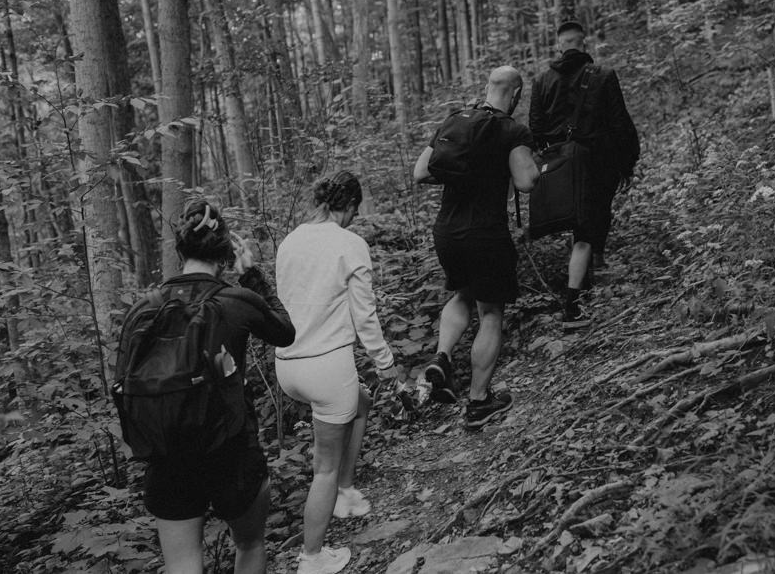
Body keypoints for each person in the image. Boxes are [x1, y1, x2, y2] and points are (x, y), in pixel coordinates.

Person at [139, 200, 296, 574]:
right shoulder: (236, 301)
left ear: (179, 252)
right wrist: (252, 274)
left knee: (182, 565)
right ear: (226, 252)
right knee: (251, 543)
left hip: (168, 455)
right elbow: (285, 332)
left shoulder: (147, 308)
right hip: (231, 451)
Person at [275, 171, 399, 574]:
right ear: (347, 207)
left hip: (288, 365)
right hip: (327, 366)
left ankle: (345, 492)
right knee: (322, 467)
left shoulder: (290, 241)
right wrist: (386, 364)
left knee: (360, 403)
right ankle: (312, 557)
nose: (353, 219)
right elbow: (365, 317)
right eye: (354, 212)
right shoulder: (350, 243)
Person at [413, 65, 540, 430]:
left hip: (447, 231)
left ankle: (442, 357)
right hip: (485, 232)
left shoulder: (456, 120)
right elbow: (526, 182)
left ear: (487, 87)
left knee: (462, 294)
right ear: (516, 95)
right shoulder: (512, 130)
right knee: (491, 314)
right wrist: (536, 168)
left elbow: (421, 171)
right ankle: (479, 402)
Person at [529, 20, 640, 329]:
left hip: (559, 167)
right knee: (587, 232)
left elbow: (535, 130)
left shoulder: (540, 81)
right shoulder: (603, 75)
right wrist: (627, 163)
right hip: (596, 163)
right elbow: (621, 125)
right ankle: (574, 303)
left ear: (559, 46)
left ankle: (585, 288)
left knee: (581, 228)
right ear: (583, 43)